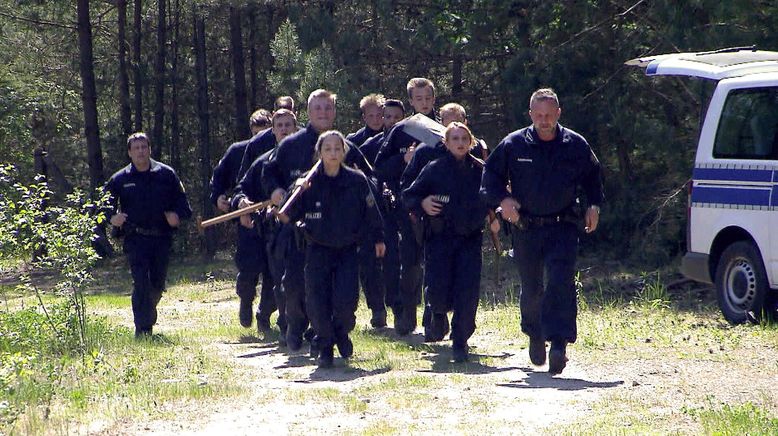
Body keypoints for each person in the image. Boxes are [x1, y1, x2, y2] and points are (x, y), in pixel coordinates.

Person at [480, 88, 603, 374]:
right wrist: (503, 200)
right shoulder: (514, 144)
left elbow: (593, 177)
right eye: (538, 115)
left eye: (549, 115)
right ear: (531, 115)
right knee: (533, 288)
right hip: (527, 227)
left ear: (558, 113)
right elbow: (490, 176)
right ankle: (535, 333)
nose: (544, 120)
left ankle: (558, 343)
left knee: (561, 281)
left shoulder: (576, 144)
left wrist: (594, 205)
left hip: (564, 226)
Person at [277, 131, 385, 368]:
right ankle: (325, 345)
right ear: (320, 152)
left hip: (347, 249)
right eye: (328, 149)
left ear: (344, 152)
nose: (333, 153)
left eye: (338, 148)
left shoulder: (357, 180)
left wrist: (378, 238)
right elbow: (285, 215)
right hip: (317, 249)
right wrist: (296, 190)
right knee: (317, 302)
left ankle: (340, 333)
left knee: (346, 303)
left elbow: (371, 213)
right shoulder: (308, 182)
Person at [403, 122, 489, 362]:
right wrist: (423, 203)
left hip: (470, 239)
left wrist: (496, 216)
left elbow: (495, 195)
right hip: (439, 239)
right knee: (438, 290)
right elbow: (409, 195)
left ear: (470, 142)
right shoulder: (434, 168)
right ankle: (438, 314)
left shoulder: (480, 170)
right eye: (455, 139)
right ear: (446, 143)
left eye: (464, 139)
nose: (460, 143)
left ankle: (460, 340)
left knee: (467, 291)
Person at [262, 89, 339, 352]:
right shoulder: (291, 145)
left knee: (327, 289)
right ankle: (294, 324)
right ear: (308, 112)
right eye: (318, 108)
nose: (323, 113)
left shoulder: (342, 145)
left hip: (333, 233)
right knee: (293, 285)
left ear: (334, 112)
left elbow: (366, 179)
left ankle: (322, 336)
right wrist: (275, 192)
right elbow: (268, 173)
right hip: (296, 230)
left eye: (328, 108)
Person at [106, 132, 192, 338]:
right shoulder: (120, 178)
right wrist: (112, 218)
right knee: (141, 282)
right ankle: (143, 329)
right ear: (129, 152)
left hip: (161, 237)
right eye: (136, 148)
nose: (140, 152)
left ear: (150, 149)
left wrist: (176, 216)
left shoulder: (166, 174)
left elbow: (184, 205)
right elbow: (102, 206)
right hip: (135, 238)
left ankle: (147, 313)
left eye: (144, 147)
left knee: (157, 284)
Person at [374, 77, 438, 335]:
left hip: (439, 207)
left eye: (428, 98)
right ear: (410, 101)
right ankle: (406, 312)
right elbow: (379, 168)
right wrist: (404, 158)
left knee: (436, 263)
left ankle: (434, 316)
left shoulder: (445, 127)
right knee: (410, 262)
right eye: (418, 99)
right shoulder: (401, 130)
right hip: (407, 206)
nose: (423, 104)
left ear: (434, 99)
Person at [232, 109, 299, 337]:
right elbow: (241, 189)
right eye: (279, 125)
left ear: (295, 128)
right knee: (254, 274)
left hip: (299, 229)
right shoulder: (263, 161)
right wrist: (242, 203)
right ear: (273, 130)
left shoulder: (308, 158)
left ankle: (277, 320)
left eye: (288, 125)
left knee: (281, 280)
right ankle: (253, 306)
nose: (284, 129)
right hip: (265, 228)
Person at [210, 108, 278, 331]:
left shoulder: (283, 152)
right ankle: (246, 301)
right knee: (249, 270)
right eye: (256, 132)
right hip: (248, 219)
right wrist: (219, 196)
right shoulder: (239, 151)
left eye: (265, 132)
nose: (260, 137)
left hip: (276, 219)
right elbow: (220, 178)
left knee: (273, 272)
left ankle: (264, 315)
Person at [355, 99, 406, 328]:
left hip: (400, 208)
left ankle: (397, 306)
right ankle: (377, 308)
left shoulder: (411, 141)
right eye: (387, 117)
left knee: (396, 260)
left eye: (397, 117)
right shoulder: (366, 144)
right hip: (371, 211)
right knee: (369, 261)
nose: (390, 121)